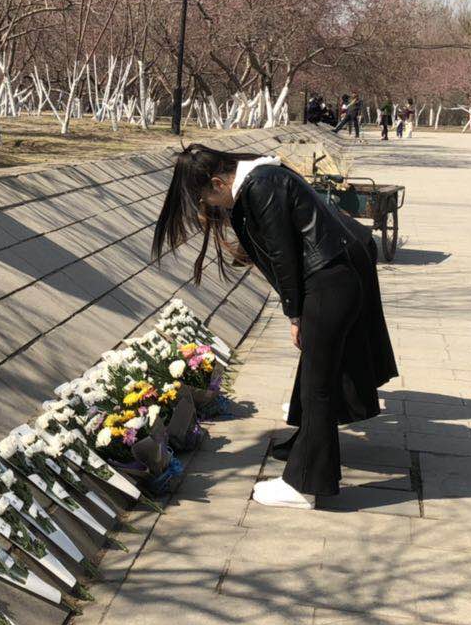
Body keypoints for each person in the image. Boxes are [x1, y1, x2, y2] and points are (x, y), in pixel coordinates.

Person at [151, 145, 398, 508]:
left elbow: (284, 254)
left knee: (318, 388)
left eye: (206, 198)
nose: (209, 206)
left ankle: (304, 486)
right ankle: (306, 462)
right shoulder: (264, 178)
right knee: (317, 382)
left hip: (327, 284)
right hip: (331, 281)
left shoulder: (260, 186)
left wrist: (294, 314)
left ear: (218, 183)